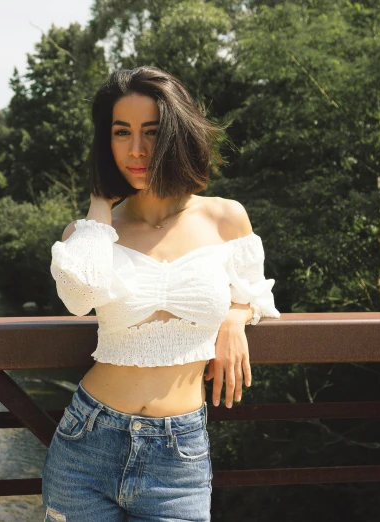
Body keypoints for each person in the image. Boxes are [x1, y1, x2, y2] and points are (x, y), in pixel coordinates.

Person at [43, 66, 281, 522]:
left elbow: (256, 291)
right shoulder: (91, 234)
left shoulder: (225, 219)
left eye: (152, 132)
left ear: (177, 134)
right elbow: (78, 297)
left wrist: (235, 315)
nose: (136, 149)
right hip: (86, 444)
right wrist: (99, 201)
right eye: (121, 132)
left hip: (178, 456)